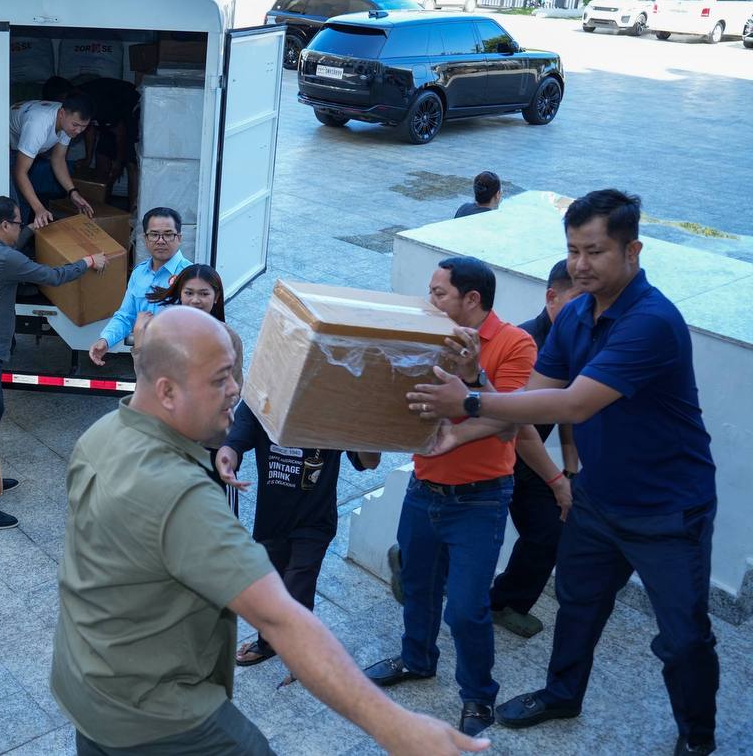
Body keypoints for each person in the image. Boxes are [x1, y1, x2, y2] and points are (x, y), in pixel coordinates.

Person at [50, 306, 487, 756]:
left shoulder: (101, 435)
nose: (235, 389)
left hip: (85, 688)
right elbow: (282, 618)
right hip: (156, 716)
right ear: (167, 391)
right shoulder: (179, 494)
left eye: (234, 373)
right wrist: (395, 726)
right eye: (220, 378)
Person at [407, 189, 720, 756]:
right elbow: (531, 399)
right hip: (598, 496)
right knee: (578, 605)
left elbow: (573, 404)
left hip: (668, 507)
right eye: (573, 250)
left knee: (683, 637)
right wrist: (473, 395)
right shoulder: (575, 313)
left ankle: (697, 741)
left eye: (594, 251)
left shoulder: (651, 322)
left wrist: (468, 401)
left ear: (632, 251)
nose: (580, 264)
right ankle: (561, 695)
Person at [363, 256, 537, 737]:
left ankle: (478, 694)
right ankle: (416, 659)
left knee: (465, 607)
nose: (430, 300)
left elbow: (511, 419)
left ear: (472, 299)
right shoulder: (430, 336)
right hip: (424, 487)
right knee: (417, 585)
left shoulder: (515, 343)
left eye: (439, 293)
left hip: (480, 500)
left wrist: (475, 376)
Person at [0, 196, 107, 529]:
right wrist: (88, 261)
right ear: (5, 225)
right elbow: (52, 276)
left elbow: (15, 252)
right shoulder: (4, 258)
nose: (20, 227)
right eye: (18, 223)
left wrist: (30, 230)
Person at [217, 399, 380, 669]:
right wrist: (226, 459)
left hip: (315, 520)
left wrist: (363, 430)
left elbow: (369, 462)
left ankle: (300, 657)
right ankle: (270, 643)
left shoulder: (336, 404)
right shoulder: (266, 398)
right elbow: (234, 442)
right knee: (271, 587)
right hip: (272, 519)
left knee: (297, 591)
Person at [488, 260, 582, 639]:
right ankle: (411, 560)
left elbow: (568, 405)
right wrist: (558, 481)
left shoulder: (575, 342)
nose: (587, 315)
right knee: (471, 533)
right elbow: (520, 428)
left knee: (549, 530)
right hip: (497, 452)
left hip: (527, 458)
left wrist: (571, 465)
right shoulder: (526, 344)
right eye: (578, 303)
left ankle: (504, 603)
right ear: (551, 297)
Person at [144, 263, 244, 514]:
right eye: (189, 293)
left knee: (216, 518)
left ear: (216, 297)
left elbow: (234, 392)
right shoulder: (166, 335)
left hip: (212, 446)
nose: (195, 300)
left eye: (204, 293)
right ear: (180, 294)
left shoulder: (229, 338)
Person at [88, 206, 191, 366]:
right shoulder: (139, 273)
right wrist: (105, 340)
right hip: (143, 359)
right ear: (145, 239)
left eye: (168, 234)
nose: (161, 240)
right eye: (154, 234)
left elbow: (198, 324)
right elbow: (126, 315)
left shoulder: (190, 274)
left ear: (179, 238)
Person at [9, 91, 97, 227]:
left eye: (84, 126)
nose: (78, 131)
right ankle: (17, 237)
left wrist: (72, 192)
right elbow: (20, 172)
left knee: (28, 198)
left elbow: (58, 159)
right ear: (62, 113)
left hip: (24, 142)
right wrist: (39, 209)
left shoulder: (68, 123)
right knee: (15, 204)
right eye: (75, 125)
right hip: (3, 144)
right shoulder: (39, 125)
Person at [42, 75, 141, 193]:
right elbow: (89, 128)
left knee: (131, 162)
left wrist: (118, 161)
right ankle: (102, 199)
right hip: (112, 118)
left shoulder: (94, 102)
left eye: (59, 104)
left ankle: (132, 205)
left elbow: (120, 131)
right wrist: (88, 159)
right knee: (102, 157)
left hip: (132, 108)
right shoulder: (76, 104)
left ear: (65, 96)